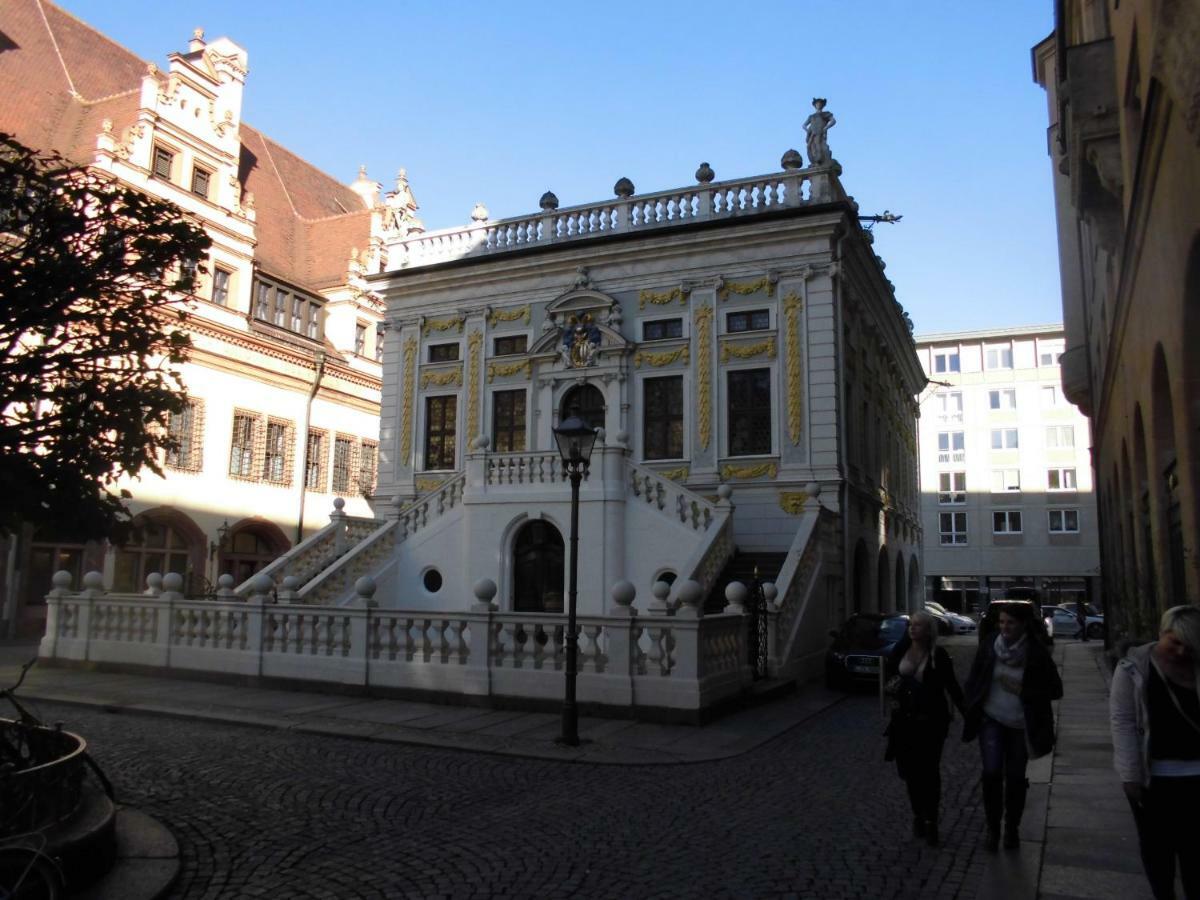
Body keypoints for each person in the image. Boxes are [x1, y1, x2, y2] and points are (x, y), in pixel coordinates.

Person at [1110, 605, 1200, 900]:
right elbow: (1122, 722)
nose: (1181, 651)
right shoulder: (1132, 668)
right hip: (1154, 778)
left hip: (1196, 776)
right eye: (1175, 642)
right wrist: (1130, 774)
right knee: (1157, 851)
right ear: (1161, 633)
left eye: (1189, 645)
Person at [963, 601, 1063, 850]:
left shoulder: (1035, 652)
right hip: (991, 719)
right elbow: (974, 678)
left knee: (1016, 778)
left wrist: (1023, 690)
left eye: (1011, 622)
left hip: (1020, 723)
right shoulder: (989, 646)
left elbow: (1055, 689)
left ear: (1023, 625)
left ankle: (1012, 828)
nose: (1005, 627)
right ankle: (993, 829)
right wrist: (970, 704)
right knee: (992, 774)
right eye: (1002, 622)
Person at [884, 610, 966, 846]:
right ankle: (918, 813)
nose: (913, 628)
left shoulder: (938, 655)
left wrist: (968, 714)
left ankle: (931, 820)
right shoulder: (901, 650)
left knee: (929, 772)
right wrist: (894, 690)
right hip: (904, 721)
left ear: (928, 630)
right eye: (911, 624)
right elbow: (889, 678)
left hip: (931, 722)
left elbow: (952, 686)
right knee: (910, 773)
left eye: (918, 625)